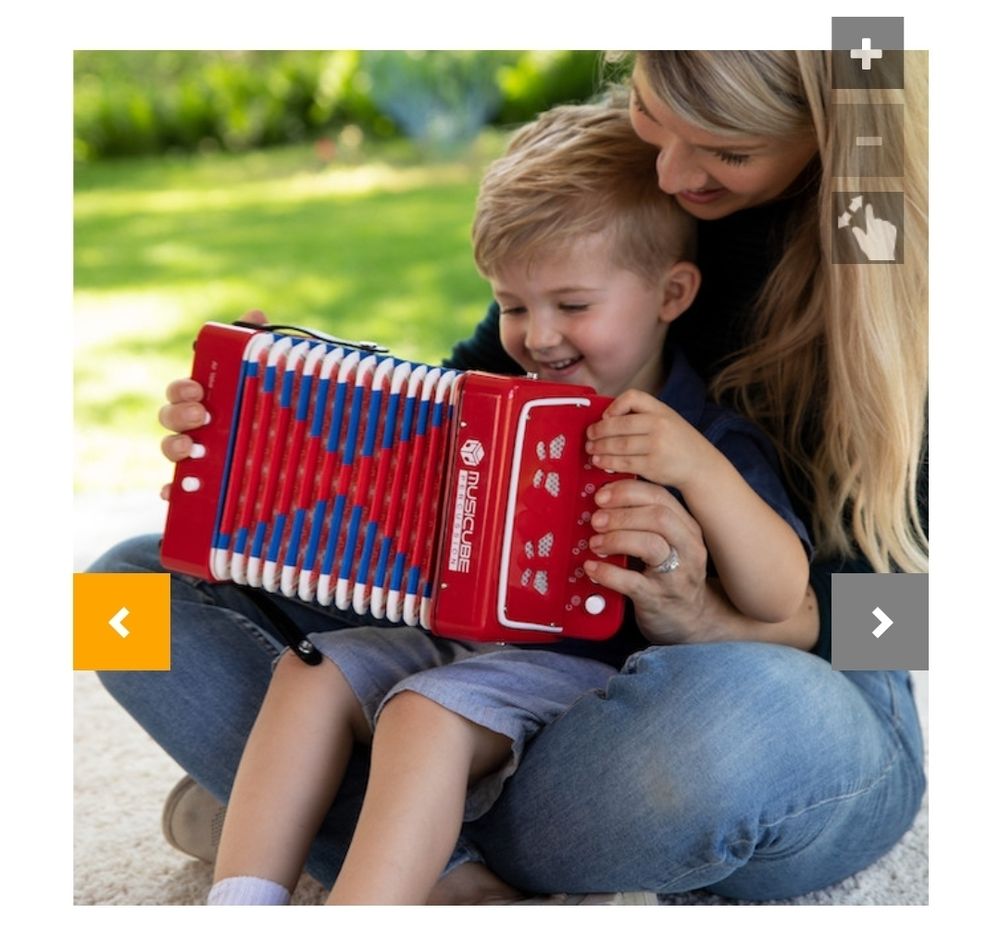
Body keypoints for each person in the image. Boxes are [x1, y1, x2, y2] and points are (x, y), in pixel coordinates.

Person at [94, 50, 927, 903]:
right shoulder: (620, 192)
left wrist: (703, 620)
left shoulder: (913, 281)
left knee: (722, 728)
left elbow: (916, 626)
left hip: (749, 682)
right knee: (115, 601)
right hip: (498, 652)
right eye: (649, 110)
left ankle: (329, 815)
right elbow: (453, 422)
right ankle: (427, 862)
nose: (672, 172)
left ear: (828, 129)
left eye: (726, 149)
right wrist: (266, 429)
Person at [204, 102, 812, 905]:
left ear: (673, 293)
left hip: (603, 694)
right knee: (249, 648)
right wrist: (262, 410)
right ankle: (250, 904)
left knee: (422, 714)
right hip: (455, 646)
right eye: (513, 306)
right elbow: (368, 469)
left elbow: (786, 602)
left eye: (573, 305)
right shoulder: (486, 407)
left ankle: (386, 877)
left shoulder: (703, 436)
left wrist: (699, 473)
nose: (538, 336)